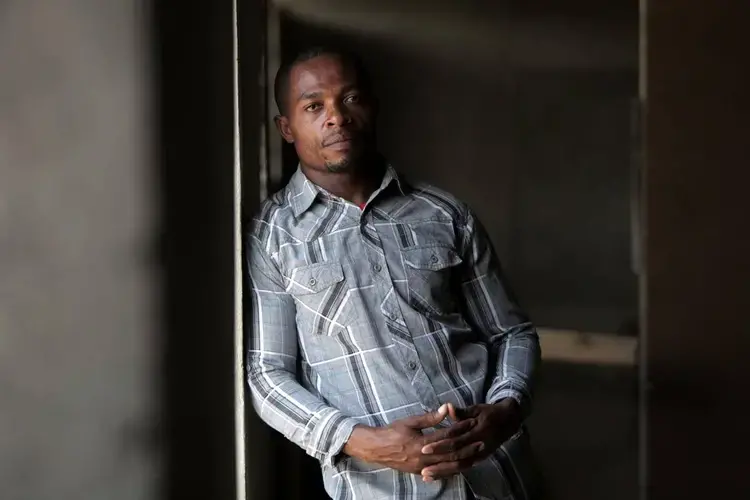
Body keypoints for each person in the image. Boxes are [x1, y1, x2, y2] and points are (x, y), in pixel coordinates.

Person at [246, 46, 542, 500]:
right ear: (287, 128)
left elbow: (512, 332)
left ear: (372, 106)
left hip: (500, 478)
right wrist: (360, 441)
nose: (336, 118)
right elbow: (268, 375)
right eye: (313, 106)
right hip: (379, 490)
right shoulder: (273, 236)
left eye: (350, 99)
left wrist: (505, 409)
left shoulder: (445, 214)